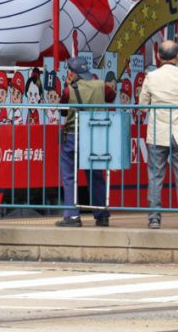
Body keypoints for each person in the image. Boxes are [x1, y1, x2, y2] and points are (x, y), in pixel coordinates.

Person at [139, 40, 178, 230]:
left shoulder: (151, 77)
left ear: (158, 56)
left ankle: (154, 218)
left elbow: (142, 104)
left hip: (158, 132)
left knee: (155, 175)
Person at [55, 56, 115, 228]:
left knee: (69, 176)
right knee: (96, 177)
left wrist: (68, 85)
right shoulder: (101, 85)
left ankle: (72, 217)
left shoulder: (69, 90)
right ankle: (102, 215)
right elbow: (111, 97)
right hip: (96, 135)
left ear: (71, 72)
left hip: (74, 136)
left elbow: (63, 112)